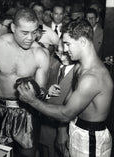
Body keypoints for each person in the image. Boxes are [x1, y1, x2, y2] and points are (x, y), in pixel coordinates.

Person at [17, 19, 113, 157]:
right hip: (77, 128)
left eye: (68, 44)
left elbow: (66, 113)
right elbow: (68, 101)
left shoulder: (93, 77)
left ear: (83, 42)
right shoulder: (81, 67)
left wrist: (32, 100)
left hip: (90, 137)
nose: (65, 50)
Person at [0, 8, 50, 157]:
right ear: (13, 28)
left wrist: (38, 91)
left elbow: (42, 90)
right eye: (24, 32)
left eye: (34, 32)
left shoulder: (40, 54)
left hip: (27, 113)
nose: (30, 38)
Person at [40, 39, 75, 157]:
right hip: (45, 128)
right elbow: (40, 91)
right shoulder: (52, 64)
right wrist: (47, 93)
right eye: (58, 52)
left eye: (65, 53)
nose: (62, 57)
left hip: (65, 131)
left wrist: (63, 130)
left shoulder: (82, 73)